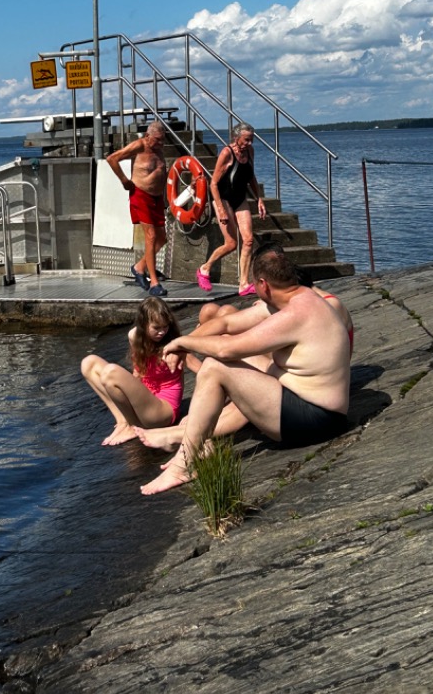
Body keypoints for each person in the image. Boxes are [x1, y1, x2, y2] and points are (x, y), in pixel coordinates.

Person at [140, 246, 350, 495]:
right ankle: (194, 440)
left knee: (215, 367)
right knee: (227, 356)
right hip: (304, 399)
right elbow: (228, 323)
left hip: (316, 418)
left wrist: (181, 343)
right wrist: (181, 347)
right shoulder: (298, 297)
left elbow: (227, 350)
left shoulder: (297, 312)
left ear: (263, 284)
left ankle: (183, 464)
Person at [81, 297, 200, 447]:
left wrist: (196, 412)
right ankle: (123, 421)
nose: (162, 332)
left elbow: (203, 372)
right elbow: (138, 372)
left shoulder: (176, 346)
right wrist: (126, 392)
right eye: (157, 328)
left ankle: (131, 426)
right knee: (89, 363)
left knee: (111, 372)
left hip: (162, 411)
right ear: (144, 324)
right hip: (145, 399)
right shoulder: (135, 337)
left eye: (165, 326)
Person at [196, 122, 266, 297]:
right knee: (231, 244)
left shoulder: (250, 152)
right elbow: (213, 184)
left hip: (239, 198)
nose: (250, 143)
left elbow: (251, 177)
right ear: (236, 138)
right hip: (223, 198)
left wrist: (259, 199)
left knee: (248, 240)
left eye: (252, 140)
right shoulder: (227, 153)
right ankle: (205, 268)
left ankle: (243, 284)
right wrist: (220, 209)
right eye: (247, 140)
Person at [106, 119, 169, 296]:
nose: (160, 143)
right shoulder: (139, 146)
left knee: (162, 238)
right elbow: (112, 159)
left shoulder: (159, 150)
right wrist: (125, 180)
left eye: (163, 140)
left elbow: (161, 174)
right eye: (157, 139)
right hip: (141, 195)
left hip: (157, 198)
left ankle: (139, 267)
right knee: (151, 236)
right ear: (148, 136)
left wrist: (164, 198)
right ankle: (154, 282)